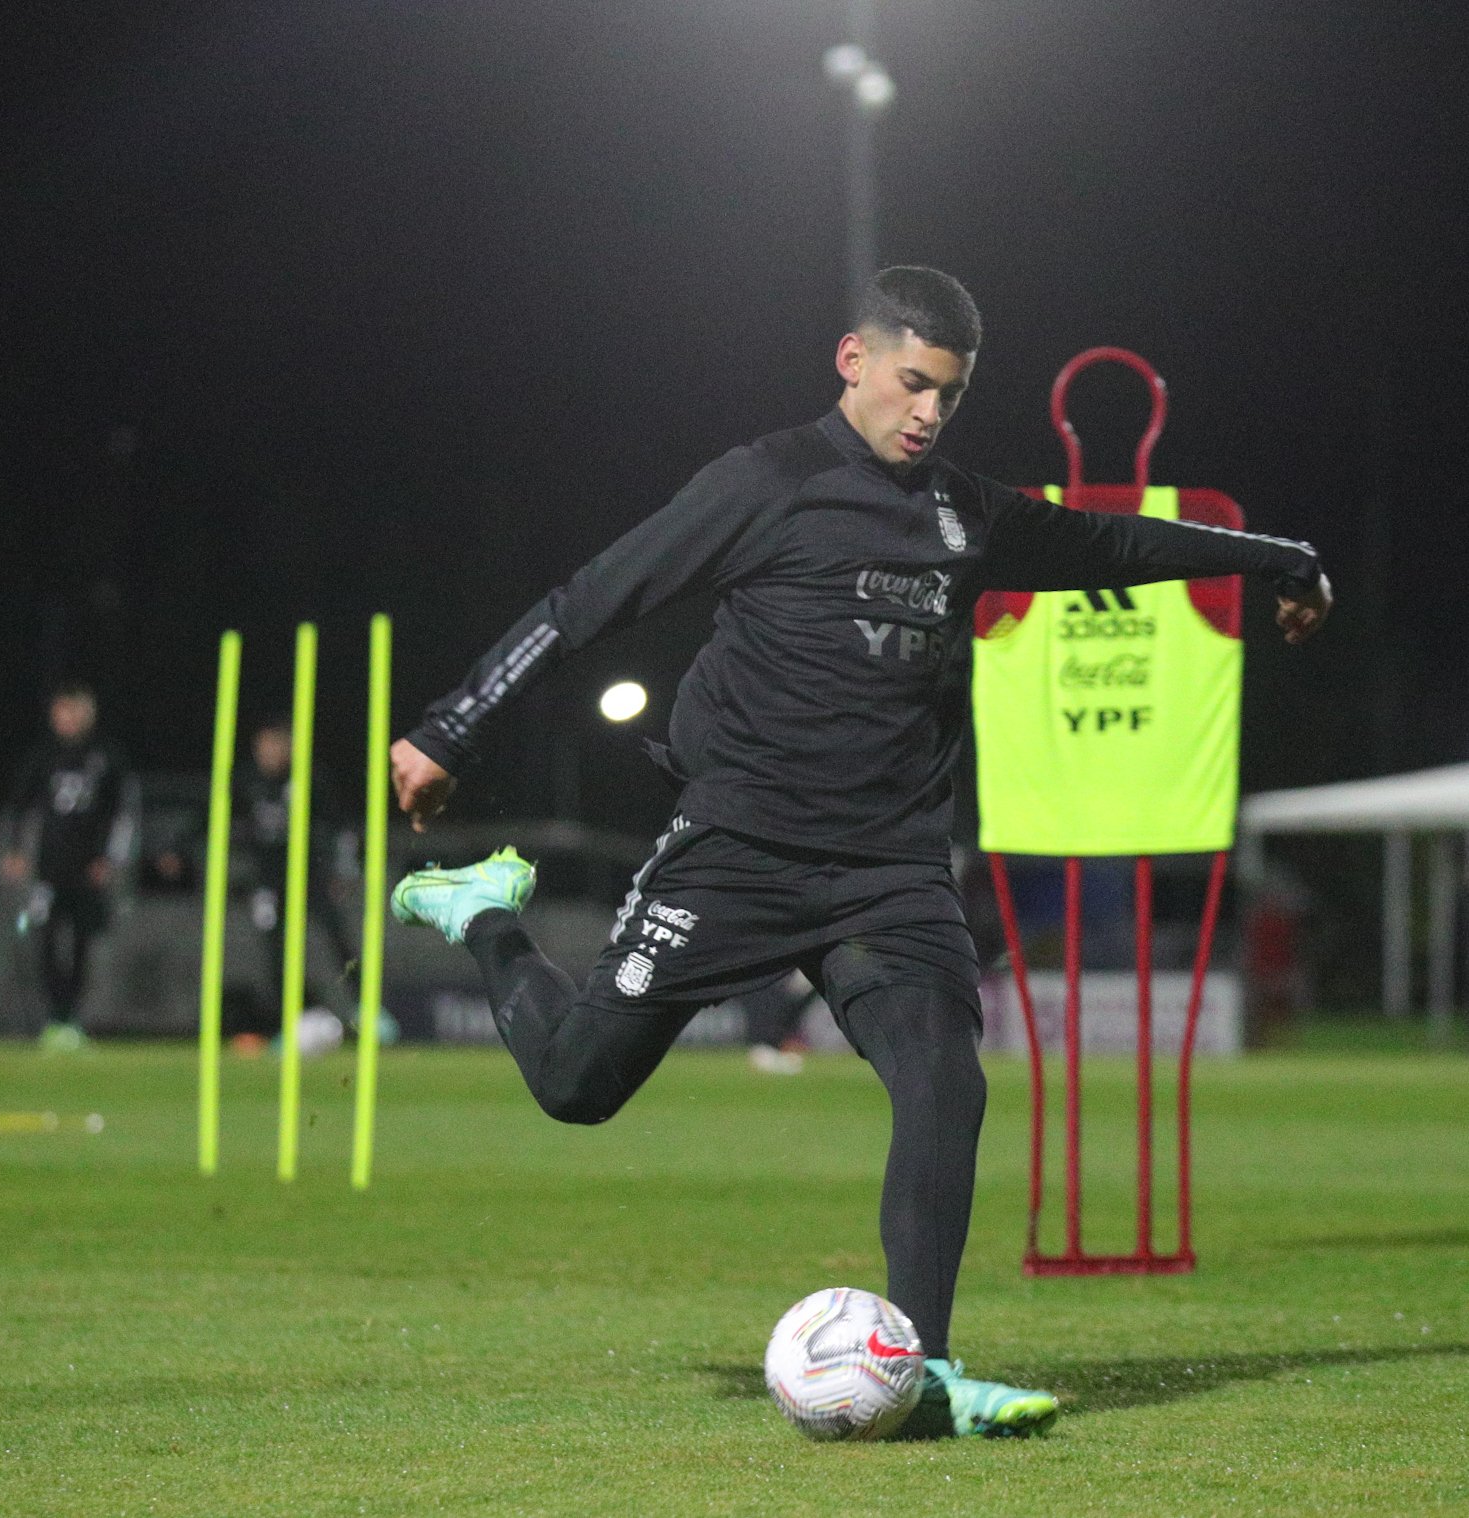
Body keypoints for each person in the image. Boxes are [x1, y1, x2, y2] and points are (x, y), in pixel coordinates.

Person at [386, 267, 1332, 1438]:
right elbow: (590, 599)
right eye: (910, 382)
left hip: (886, 872)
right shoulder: (764, 483)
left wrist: (1275, 554)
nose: (927, 412)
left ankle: (925, 1372)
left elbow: (1106, 543)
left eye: (947, 393)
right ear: (852, 360)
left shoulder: (964, 515)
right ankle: (485, 912)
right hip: (737, 846)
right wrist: (450, 725)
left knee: (943, 1079)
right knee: (577, 1085)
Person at [0, 682, 128, 1049]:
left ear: (88, 713)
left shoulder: (107, 756)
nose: (67, 719)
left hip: (87, 869)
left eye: (74, 711)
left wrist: (107, 859)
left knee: (82, 943)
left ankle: (72, 1017)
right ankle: (54, 1016)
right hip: (48, 869)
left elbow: (121, 813)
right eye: (61, 711)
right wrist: (15, 850)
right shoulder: (43, 756)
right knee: (44, 939)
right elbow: (19, 806)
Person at [237, 717, 357, 1033]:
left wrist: (342, 870)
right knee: (276, 951)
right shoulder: (247, 781)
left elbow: (339, 825)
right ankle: (292, 1020)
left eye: (274, 745)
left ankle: (368, 1009)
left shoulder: (309, 778)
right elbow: (215, 816)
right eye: (262, 747)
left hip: (310, 874)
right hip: (269, 882)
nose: (268, 754)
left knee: (337, 940)